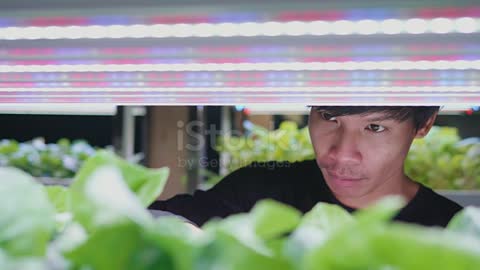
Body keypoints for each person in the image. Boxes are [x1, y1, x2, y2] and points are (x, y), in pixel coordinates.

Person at [149, 106, 463, 228]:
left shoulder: (455, 232)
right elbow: (157, 224)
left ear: (424, 125)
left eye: (375, 128)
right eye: (329, 118)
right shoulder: (261, 191)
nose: (342, 154)